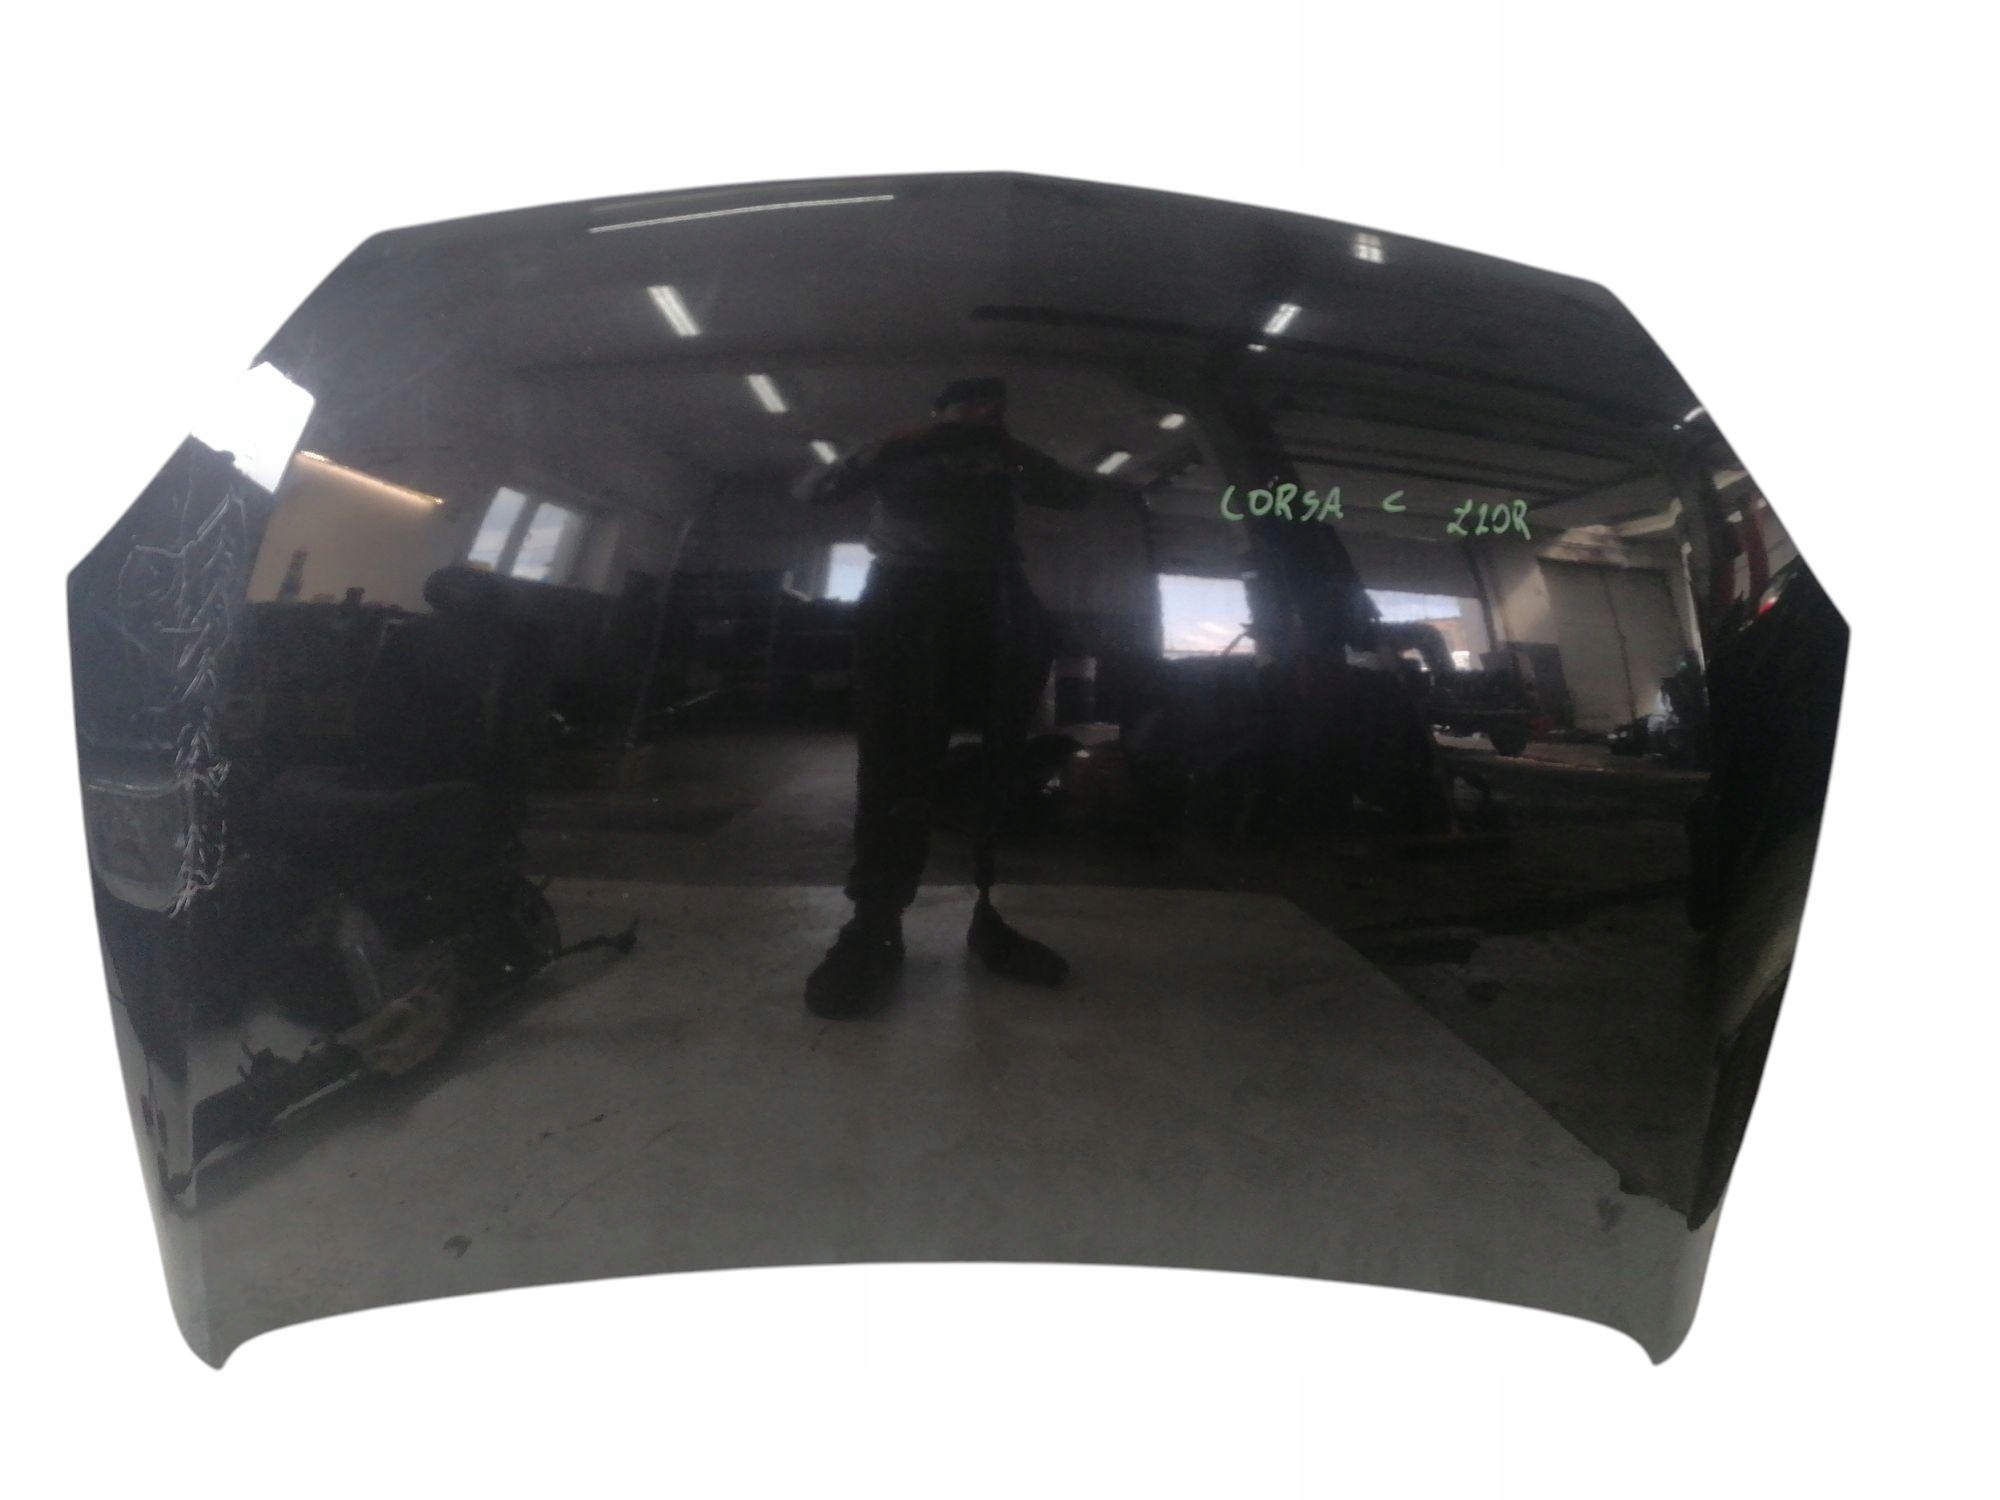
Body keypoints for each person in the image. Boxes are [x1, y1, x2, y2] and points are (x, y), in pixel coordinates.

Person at [799, 376, 1106, 1018]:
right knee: (891, 763)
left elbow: (1077, 496)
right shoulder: (899, 451)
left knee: (1002, 757)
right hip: (905, 595)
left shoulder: (1006, 458)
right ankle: (874, 924)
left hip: (993, 597)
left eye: (993, 407)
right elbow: (812, 492)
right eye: (967, 405)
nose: (981, 414)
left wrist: (1016, 452)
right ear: (936, 412)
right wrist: (885, 446)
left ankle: (986, 913)